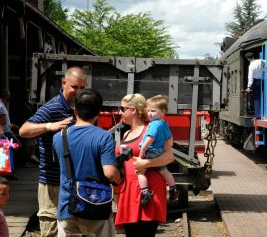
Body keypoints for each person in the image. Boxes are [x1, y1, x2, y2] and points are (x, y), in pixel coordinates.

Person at [19, 66, 87, 237]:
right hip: (52, 182)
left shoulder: (83, 107)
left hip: (76, 182)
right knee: (51, 230)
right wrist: (49, 126)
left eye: (82, 87)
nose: (78, 91)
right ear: (64, 83)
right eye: (74, 87)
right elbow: (24, 130)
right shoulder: (53, 107)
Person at [53, 89, 120, 236]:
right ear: (99, 112)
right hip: (96, 206)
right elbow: (109, 173)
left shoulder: (59, 137)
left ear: (75, 109)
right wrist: (118, 177)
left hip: (67, 206)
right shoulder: (104, 137)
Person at [114, 93, 174, 237]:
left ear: (133, 110)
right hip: (128, 191)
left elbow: (169, 156)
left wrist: (146, 163)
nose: (119, 112)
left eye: (122, 109)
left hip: (147, 193)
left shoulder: (151, 129)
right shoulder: (127, 133)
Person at [138, 95, 178, 205]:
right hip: (159, 152)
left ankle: (145, 192)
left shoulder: (154, 124)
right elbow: (169, 139)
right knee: (164, 171)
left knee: (140, 171)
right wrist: (166, 148)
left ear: (163, 111)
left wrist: (143, 149)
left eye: (153, 111)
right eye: (148, 110)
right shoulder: (164, 123)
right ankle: (173, 187)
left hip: (150, 151)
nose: (150, 113)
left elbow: (151, 137)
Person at [245, 52, 264, 119]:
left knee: (257, 99)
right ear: (253, 56)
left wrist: (248, 87)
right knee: (264, 97)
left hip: (256, 82)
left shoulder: (251, 66)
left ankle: (258, 115)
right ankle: (264, 113)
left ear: (248, 59)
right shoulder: (260, 61)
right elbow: (266, 62)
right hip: (263, 80)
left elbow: (250, 77)